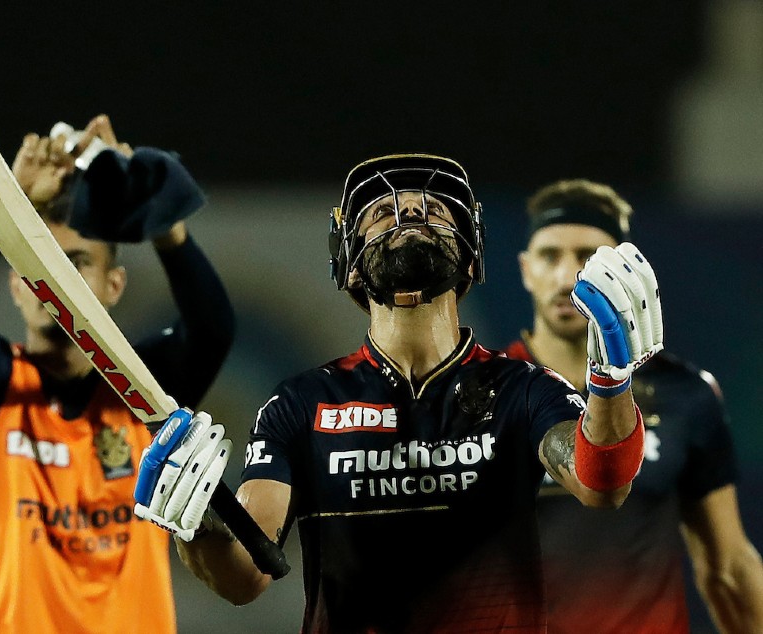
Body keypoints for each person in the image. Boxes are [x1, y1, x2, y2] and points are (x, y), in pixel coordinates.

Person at [131, 154, 664, 633]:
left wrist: (610, 381)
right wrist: (193, 525)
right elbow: (245, 576)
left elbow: (602, 482)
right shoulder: (298, 403)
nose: (410, 214)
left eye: (435, 212)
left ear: (469, 256)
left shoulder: (523, 388)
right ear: (350, 260)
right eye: (384, 213)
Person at [0, 114, 235, 634]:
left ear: (113, 285)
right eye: (39, 264)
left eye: (76, 263)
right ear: (17, 286)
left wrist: (159, 214)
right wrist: (11, 201)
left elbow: (213, 328)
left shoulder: (143, 393)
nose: (54, 279)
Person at [506, 179, 763, 634]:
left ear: (625, 271)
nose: (567, 278)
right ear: (526, 269)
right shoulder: (485, 393)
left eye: (588, 257)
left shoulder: (685, 393)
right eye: (549, 256)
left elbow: (728, 569)